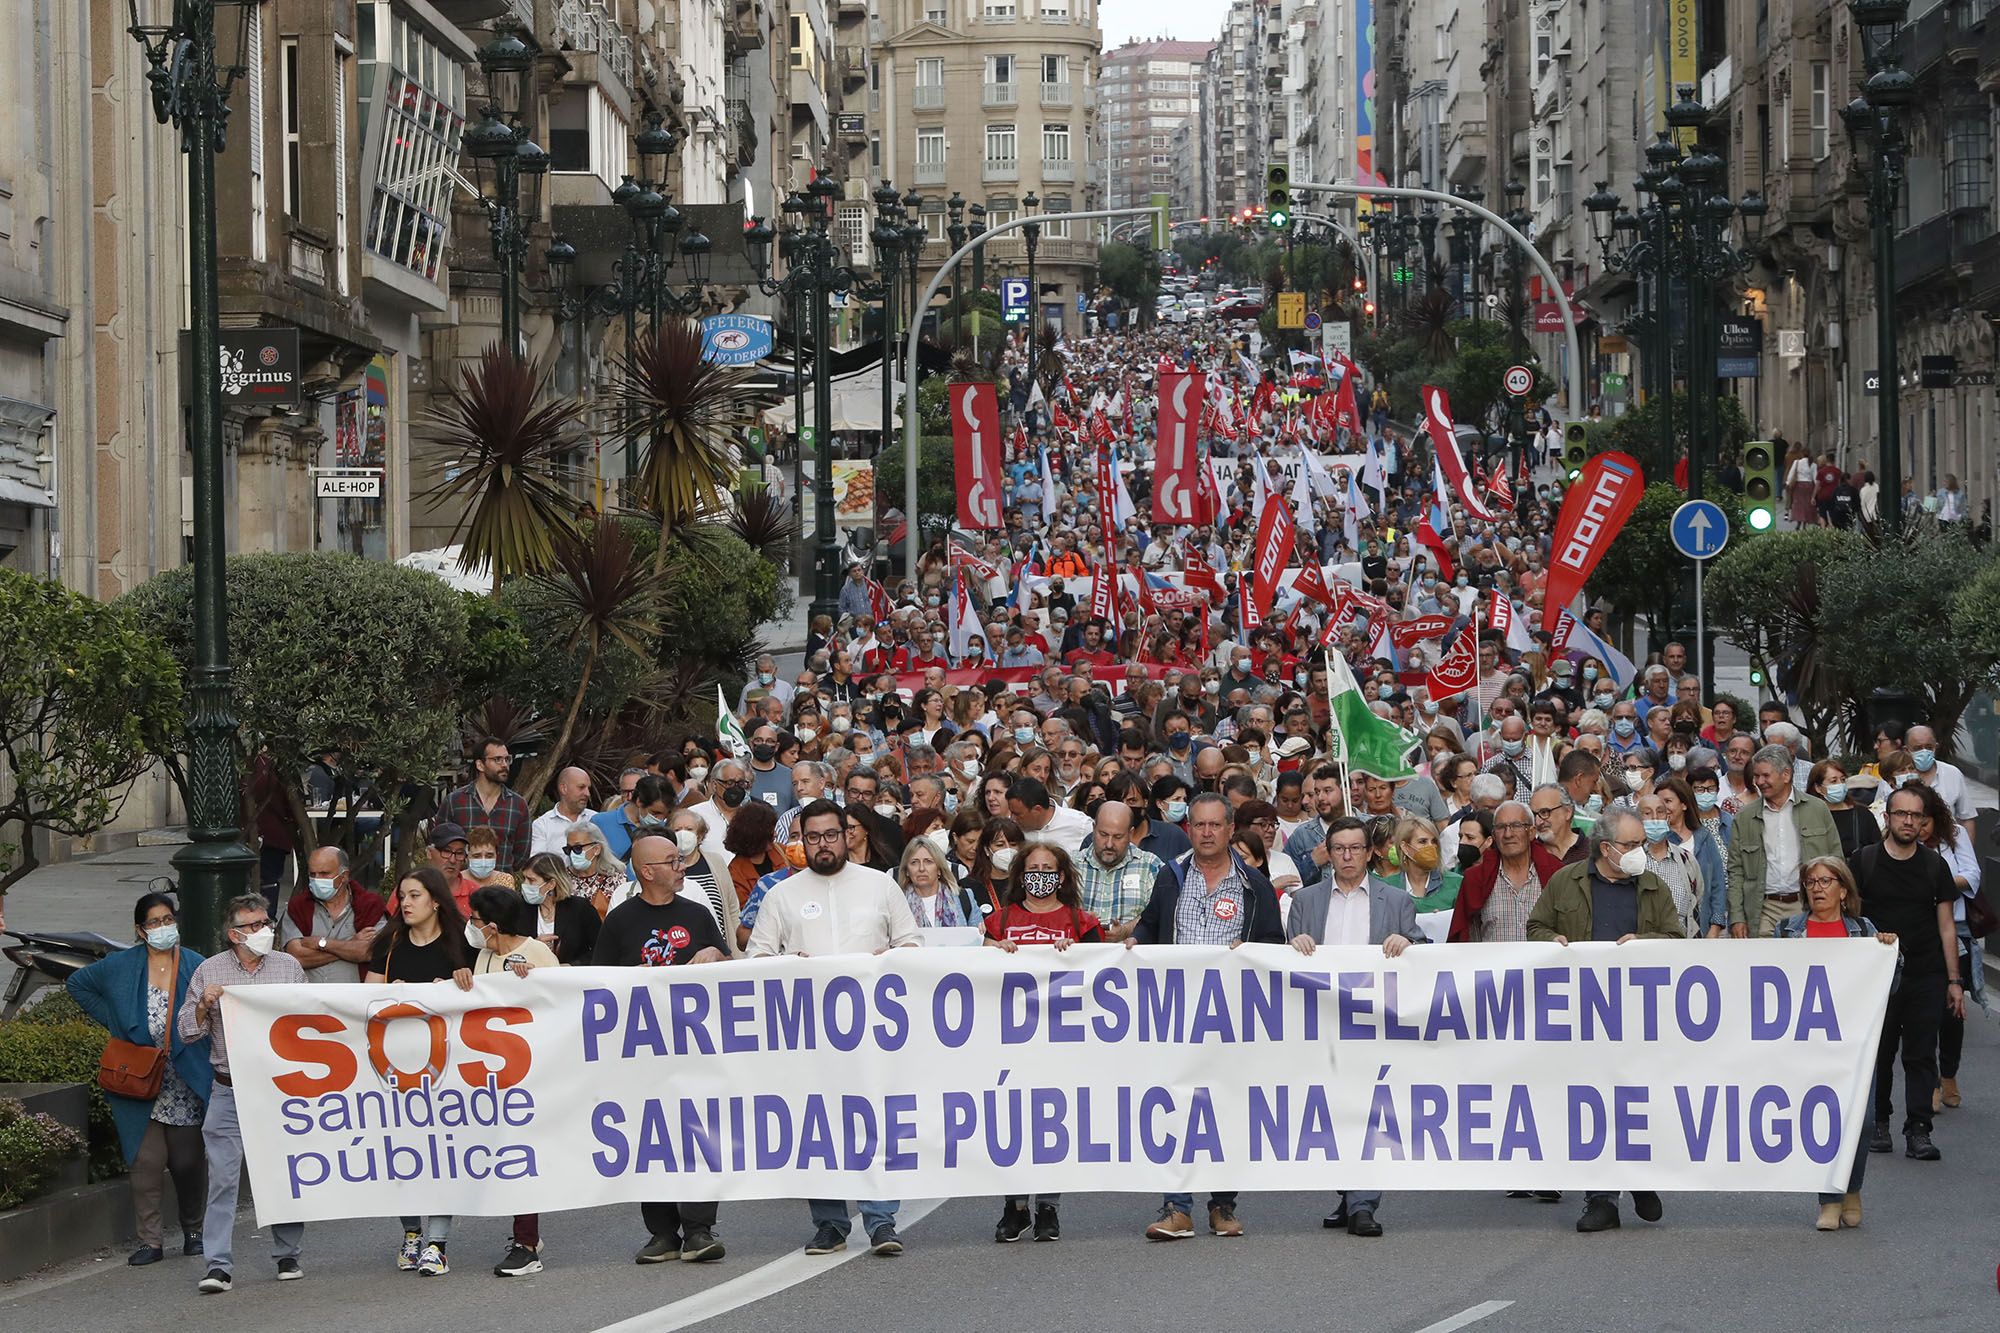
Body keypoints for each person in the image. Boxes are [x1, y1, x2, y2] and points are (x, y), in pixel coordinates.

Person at [747, 801, 920, 1256]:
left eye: (830, 835)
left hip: (872, 1032)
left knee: (873, 1123)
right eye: (812, 837)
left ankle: (882, 1220)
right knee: (816, 1127)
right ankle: (829, 1223)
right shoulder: (781, 894)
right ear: (801, 842)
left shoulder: (880, 885)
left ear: (848, 835)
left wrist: (889, 960)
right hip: (808, 1034)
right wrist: (788, 966)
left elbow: (913, 946)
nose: (823, 845)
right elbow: (757, 960)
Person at [1129, 792, 1284, 1241]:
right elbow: (1149, 923)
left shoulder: (1254, 885)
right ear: (1189, 829)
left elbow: (1275, 942)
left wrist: (1251, 952)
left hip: (1232, 1017)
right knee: (1175, 1110)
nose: (1207, 832)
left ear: (1231, 828)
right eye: (1198, 825)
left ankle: (1223, 1205)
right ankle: (1177, 1207)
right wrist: (1136, 942)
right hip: (1175, 1015)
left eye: (1215, 824)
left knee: (1228, 1109)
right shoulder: (1170, 877)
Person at [1528, 810, 1681, 1232]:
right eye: (1630, 845)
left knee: (1636, 1101)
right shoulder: (1567, 881)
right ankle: (1602, 1198)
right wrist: (1551, 941)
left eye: (1641, 845)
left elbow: (1675, 938)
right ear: (1606, 847)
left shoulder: (1653, 886)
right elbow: (1536, 926)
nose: (1639, 853)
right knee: (1593, 1104)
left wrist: (1643, 943)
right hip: (1582, 1015)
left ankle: (1640, 1178)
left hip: (1638, 1014)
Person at [1283, 815, 1424, 1237]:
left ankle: (1364, 1203)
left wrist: (1409, 944)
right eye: (1339, 848)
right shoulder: (1306, 902)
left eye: (1355, 848)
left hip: (1374, 1024)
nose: (1347, 856)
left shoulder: (1396, 901)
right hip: (1322, 1025)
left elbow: (1425, 956)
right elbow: (1286, 964)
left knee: (1369, 1111)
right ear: (1328, 852)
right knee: (1332, 1111)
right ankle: (1348, 1194)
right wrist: (1294, 946)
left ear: (1369, 852)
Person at [593, 835, 732, 1262]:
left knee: (697, 1133)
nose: (681, 866)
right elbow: (597, 984)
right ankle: (662, 1233)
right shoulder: (619, 921)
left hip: (694, 1047)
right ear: (647, 871)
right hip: (641, 1052)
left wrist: (714, 951)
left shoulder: (696, 913)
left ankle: (699, 1229)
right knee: (649, 1137)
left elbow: (731, 967)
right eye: (672, 861)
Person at [67, 892, 212, 1266]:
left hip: (184, 1079)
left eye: (168, 920)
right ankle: (151, 1240)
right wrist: (113, 1021)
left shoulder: (195, 964)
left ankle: (194, 1230)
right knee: (145, 1162)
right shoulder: (121, 965)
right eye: (153, 922)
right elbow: (77, 984)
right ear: (139, 930)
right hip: (137, 1075)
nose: (163, 928)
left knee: (187, 1161)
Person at [179, 894, 309, 1293]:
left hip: (277, 1091)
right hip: (229, 1090)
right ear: (234, 934)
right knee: (222, 1179)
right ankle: (217, 1265)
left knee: (284, 1172)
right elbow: (187, 1031)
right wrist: (204, 1003)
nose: (263, 930)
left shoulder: (288, 967)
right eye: (253, 926)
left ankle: (288, 1253)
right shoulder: (209, 970)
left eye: (266, 922)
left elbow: (311, 1018)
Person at [983, 843, 1103, 1243]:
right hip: (1011, 1041)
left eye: (1047, 868)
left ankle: (1048, 1207)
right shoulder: (1000, 921)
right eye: (1032, 868)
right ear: (1021, 875)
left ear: (1062, 876)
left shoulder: (1081, 921)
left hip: (1061, 1040)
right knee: (1014, 1121)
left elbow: (1102, 974)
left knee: (1054, 1121)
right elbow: (975, 975)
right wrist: (993, 952)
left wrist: (1079, 954)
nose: (1039, 875)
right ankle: (1014, 1207)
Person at [1776, 857, 1898, 1230]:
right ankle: (1829, 1198)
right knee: (1823, 1122)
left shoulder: (1864, 931)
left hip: (1856, 1043)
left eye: (1826, 881)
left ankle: (1852, 1189)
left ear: (1844, 890)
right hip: (1810, 1045)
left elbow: (1887, 989)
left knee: (1860, 1122)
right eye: (1811, 882)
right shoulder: (1788, 931)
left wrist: (1890, 955)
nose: (1817, 888)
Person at [364, 867, 469, 1275]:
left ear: (436, 901)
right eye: (402, 896)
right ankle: (412, 1233)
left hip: (448, 1071)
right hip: (395, 1067)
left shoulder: (462, 943)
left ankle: (438, 1243)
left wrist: (462, 984)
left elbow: (488, 996)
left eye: (414, 896)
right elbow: (367, 997)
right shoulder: (389, 943)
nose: (404, 903)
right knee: (403, 1154)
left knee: (441, 1153)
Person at [1854, 783, 1966, 1161]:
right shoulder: (1864, 860)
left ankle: (1919, 1129)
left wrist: (1954, 981)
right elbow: (1850, 919)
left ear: (1923, 823)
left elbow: (1946, 925)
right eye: (1901, 814)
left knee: (1920, 1054)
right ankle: (1879, 1123)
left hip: (1925, 972)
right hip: (1877, 975)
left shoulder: (1935, 865)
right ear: (1887, 818)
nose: (1908, 821)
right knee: (1879, 1052)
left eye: (1915, 815)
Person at [1911, 785, 1980, 1116]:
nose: (1916, 825)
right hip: (1918, 935)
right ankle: (1931, 1084)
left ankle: (1949, 1073)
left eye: (1923, 819)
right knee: (1923, 1013)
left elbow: (1973, 874)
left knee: (1952, 1012)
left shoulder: (1952, 835)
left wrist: (1940, 884)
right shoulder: (1898, 839)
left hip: (1955, 930)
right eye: (1910, 816)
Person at [1726, 743, 1844, 938]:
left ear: (1786, 774)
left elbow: (1836, 860)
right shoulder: (1744, 817)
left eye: (1766, 775)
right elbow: (1736, 871)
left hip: (1807, 905)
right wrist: (1737, 917)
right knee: (1763, 965)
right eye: (1756, 776)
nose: (1760, 781)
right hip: (1763, 909)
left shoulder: (1817, 809)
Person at [277, 845, 386, 982]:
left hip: (356, 1000)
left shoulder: (369, 906)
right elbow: (297, 957)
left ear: (344, 876)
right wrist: (351, 945)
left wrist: (321, 943)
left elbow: (368, 952)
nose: (317, 879)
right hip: (309, 1000)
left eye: (324, 874)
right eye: (312, 874)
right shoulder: (298, 907)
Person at [1075, 800, 1164, 941]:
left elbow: (1160, 913)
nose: (1109, 844)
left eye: (1118, 837)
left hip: (1131, 960)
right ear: (1093, 828)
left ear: (1130, 834)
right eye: (1103, 834)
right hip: (1082, 958)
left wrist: (1126, 930)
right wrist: (1080, 920)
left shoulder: (1150, 866)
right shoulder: (1072, 865)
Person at [439, 737, 531, 873]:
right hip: (462, 887)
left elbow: (521, 855)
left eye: (507, 759)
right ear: (480, 765)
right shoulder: (455, 801)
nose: (504, 764)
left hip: (502, 888)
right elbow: (441, 844)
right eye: (497, 759)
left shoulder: (518, 805)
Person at [898, 833, 986, 928]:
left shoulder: (964, 898)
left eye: (928, 862)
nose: (921, 868)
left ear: (939, 869)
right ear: (906, 870)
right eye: (914, 862)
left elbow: (977, 939)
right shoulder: (895, 903)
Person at [1809, 758, 1881, 861]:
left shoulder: (1862, 814)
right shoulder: (1810, 816)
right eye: (1833, 781)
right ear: (1818, 788)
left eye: (1843, 780)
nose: (1840, 785)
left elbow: (1877, 850)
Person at [529, 766, 595, 855]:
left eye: (588, 788)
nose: (587, 793)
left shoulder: (596, 819)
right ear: (564, 788)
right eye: (581, 787)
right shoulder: (542, 825)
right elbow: (538, 865)